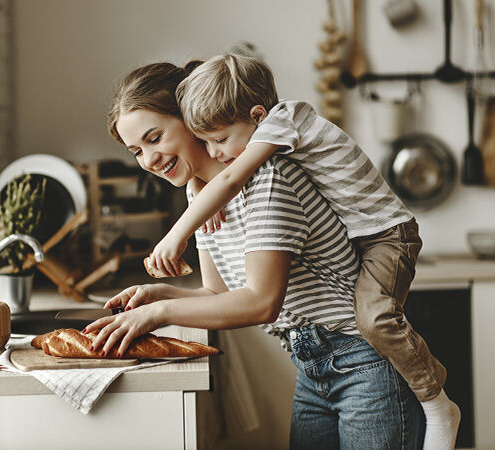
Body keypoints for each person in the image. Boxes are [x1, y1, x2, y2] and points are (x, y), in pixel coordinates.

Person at [85, 61, 425, 449]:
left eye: (155, 137)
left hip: (364, 363)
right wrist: (157, 295)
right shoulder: (198, 195)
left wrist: (157, 315)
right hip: (312, 367)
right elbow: (217, 293)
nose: (149, 160)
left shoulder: (267, 177)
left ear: (189, 116)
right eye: (137, 151)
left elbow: (261, 302)